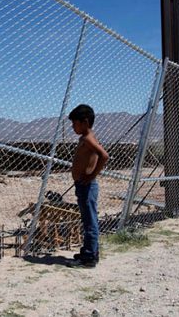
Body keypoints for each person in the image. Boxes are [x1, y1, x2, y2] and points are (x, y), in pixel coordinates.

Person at [67, 104, 109, 268]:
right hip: (83, 186)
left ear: (84, 122)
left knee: (90, 222)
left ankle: (89, 258)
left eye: (75, 123)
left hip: (87, 186)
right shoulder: (86, 137)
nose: (73, 127)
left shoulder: (87, 139)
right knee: (87, 220)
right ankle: (89, 251)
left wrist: (92, 175)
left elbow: (104, 156)